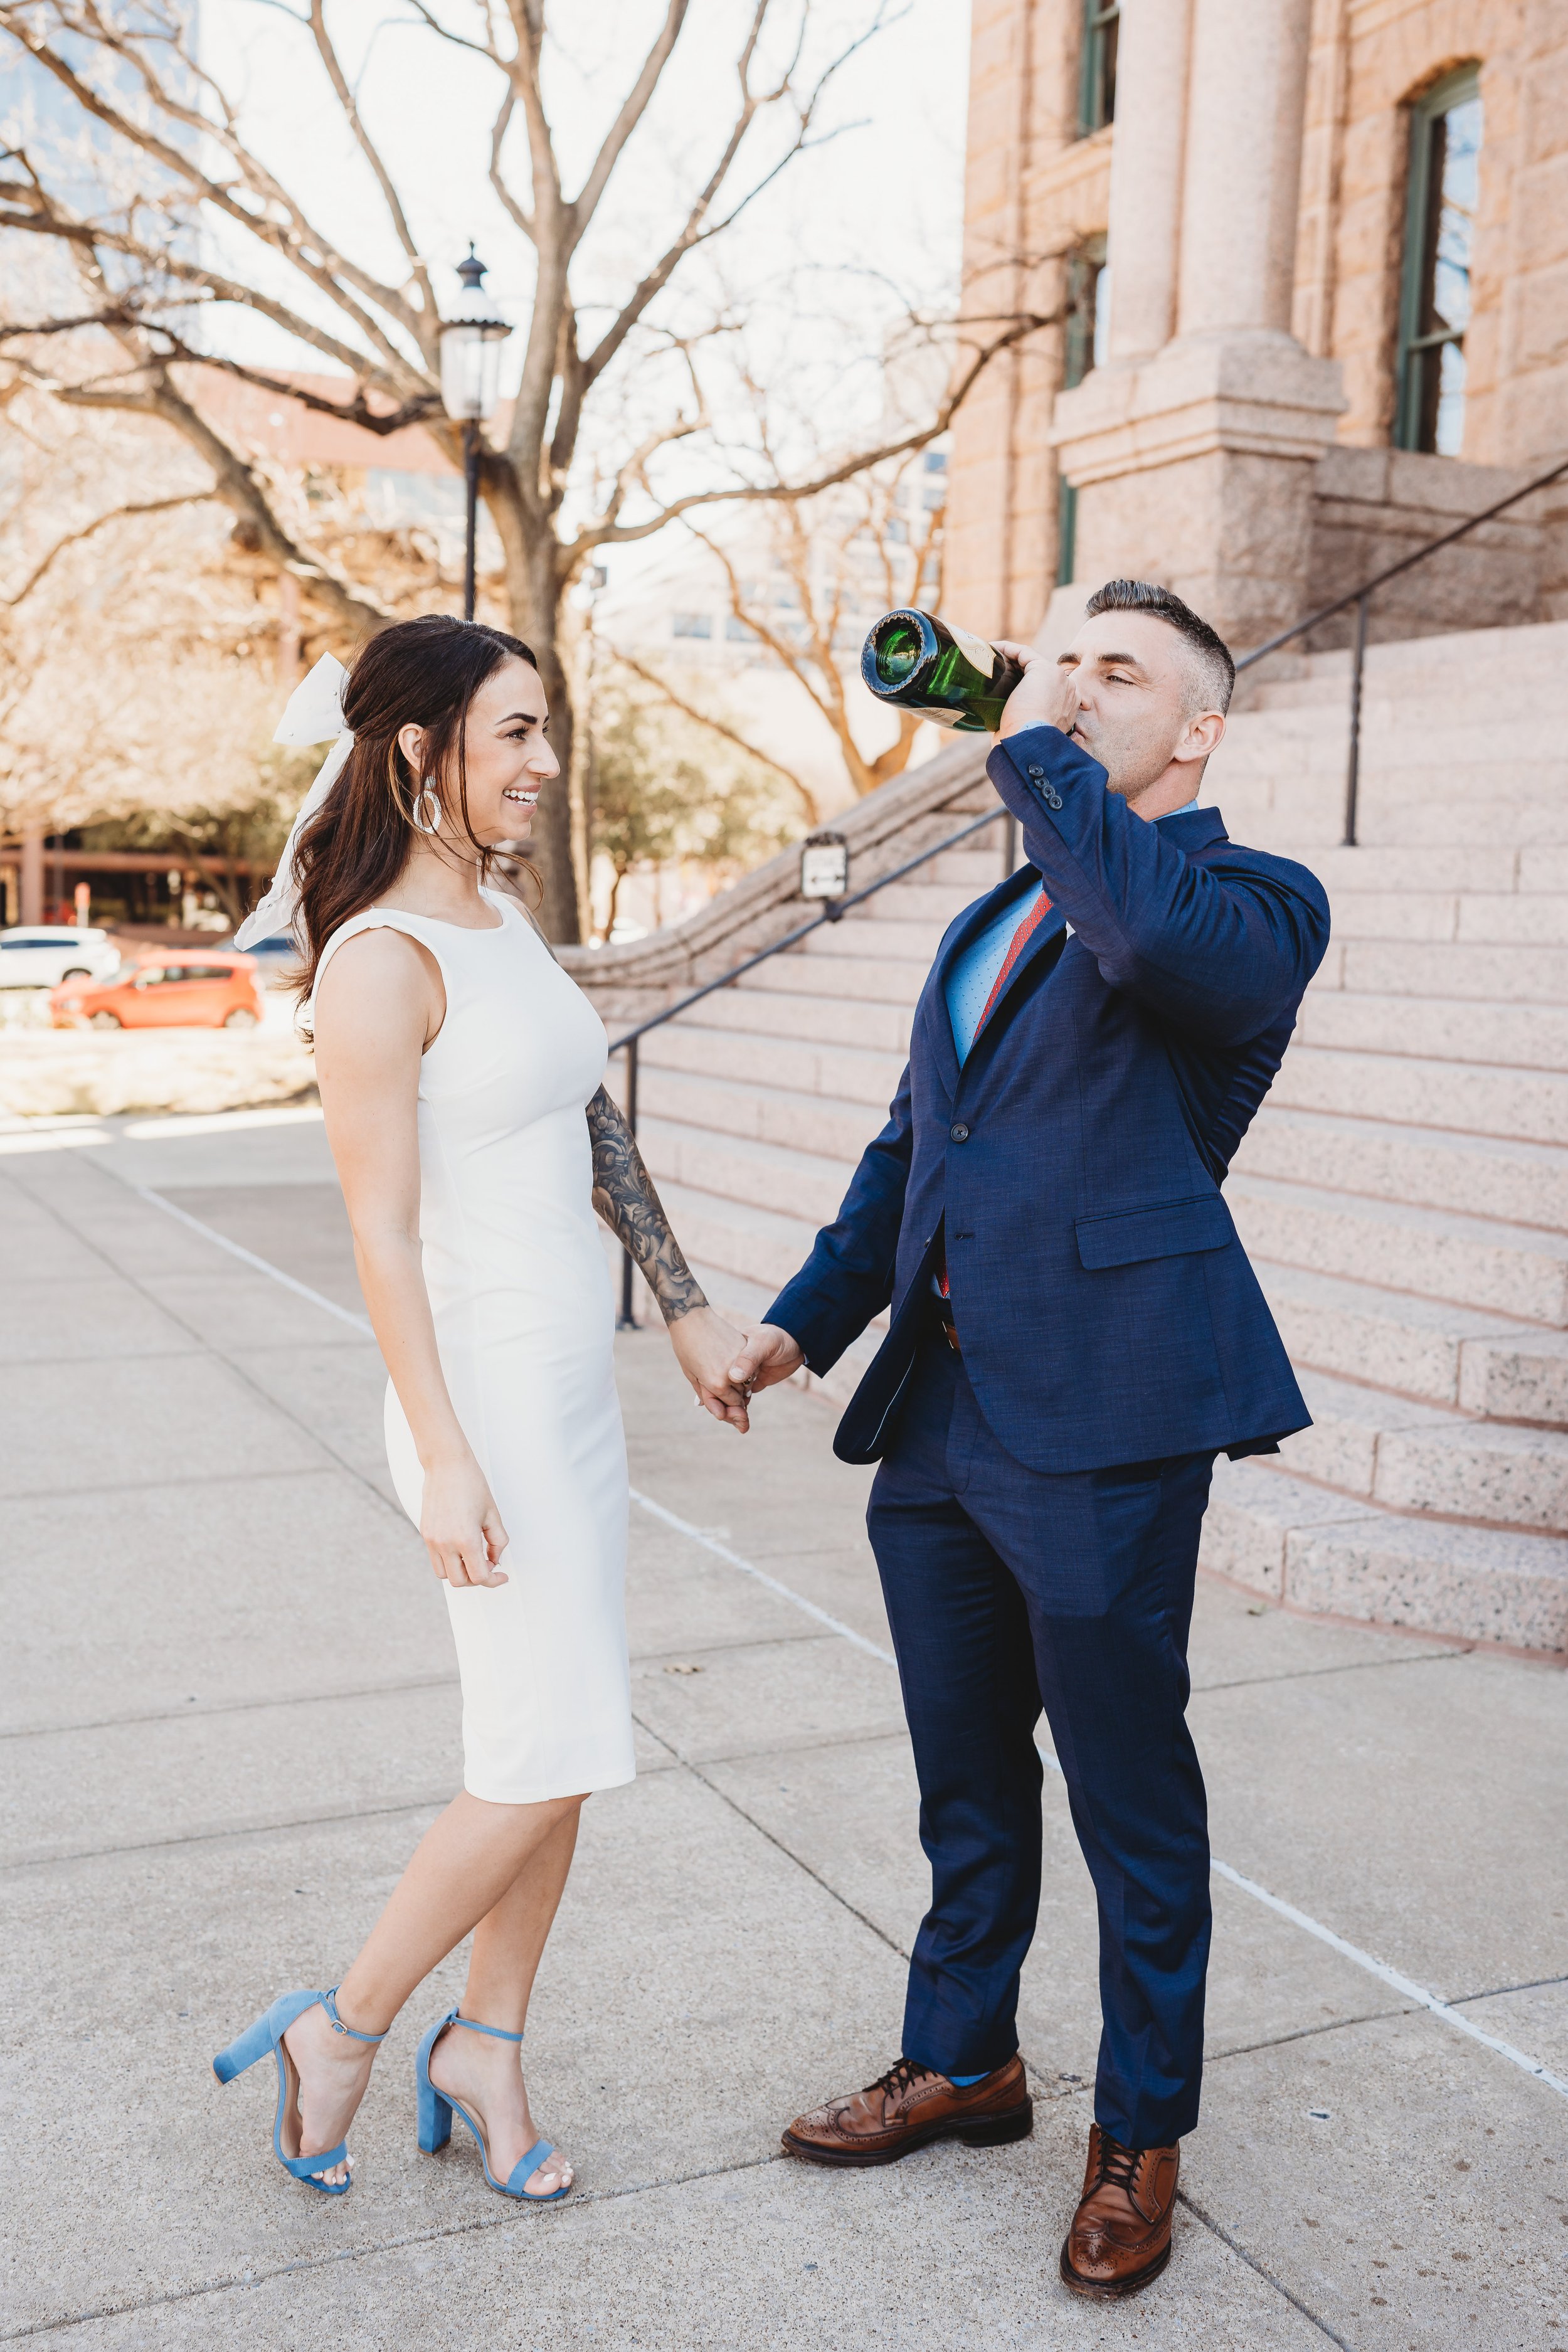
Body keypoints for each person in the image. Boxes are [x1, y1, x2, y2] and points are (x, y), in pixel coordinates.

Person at [725, 580, 1331, 2300]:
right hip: (940, 1411)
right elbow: (919, 1137)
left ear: (1197, 728)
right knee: (966, 1775)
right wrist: (806, 1313)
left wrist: (1031, 747)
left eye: (1115, 670)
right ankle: (962, 2056)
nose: (1068, 683)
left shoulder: (1250, 901)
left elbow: (1143, 945)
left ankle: (1139, 2128)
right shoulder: (986, 920)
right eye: (1054, 657)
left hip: (1111, 1415)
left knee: (1130, 1795)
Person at [213, 615, 746, 2205]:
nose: (546, 764)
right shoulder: (379, 961)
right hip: (480, 1409)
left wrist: (683, 1306)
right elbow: (376, 1231)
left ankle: (488, 2047)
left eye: (545, 729)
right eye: (514, 733)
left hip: (564, 1391)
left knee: (563, 1739)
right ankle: (350, 2029)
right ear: (417, 752)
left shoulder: (500, 922)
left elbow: (584, 1108)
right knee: (533, 1751)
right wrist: (442, 1456)